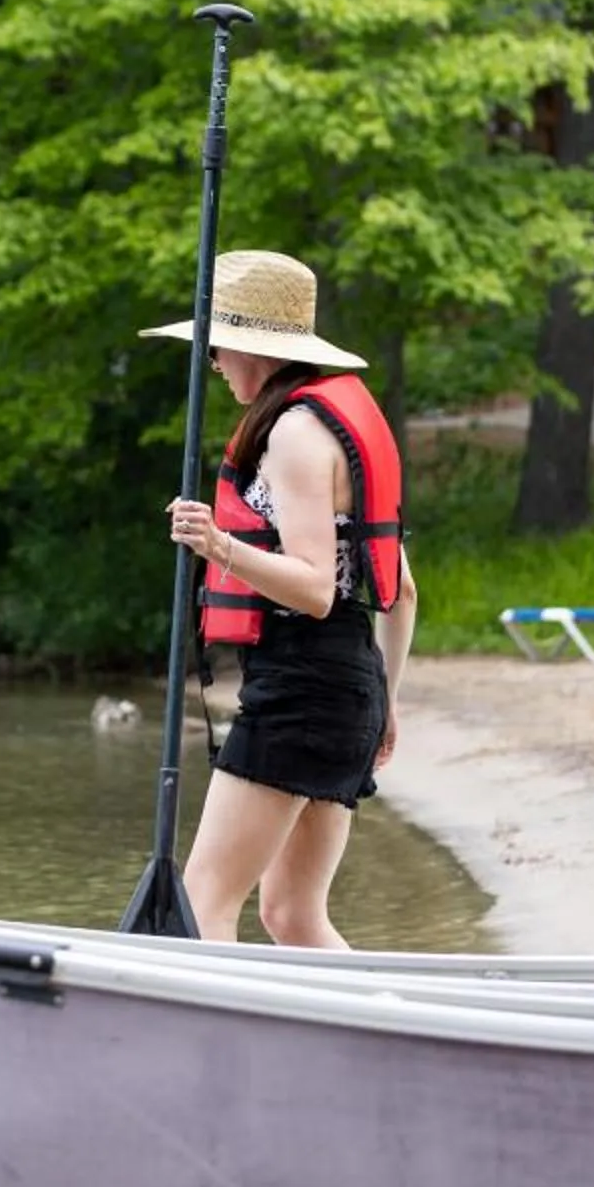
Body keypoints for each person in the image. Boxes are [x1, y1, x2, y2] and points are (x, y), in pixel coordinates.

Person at [152, 251, 418, 948]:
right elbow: (403, 590)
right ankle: (378, 1037)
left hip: (305, 681)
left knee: (205, 900)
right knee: (292, 916)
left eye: (216, 347)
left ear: (252, 348)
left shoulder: (297, 434)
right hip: (347, 682)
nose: (211, 362)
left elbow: (315, 589)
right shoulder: (335, 425)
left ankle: (222, 1055)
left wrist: (218, 545)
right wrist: (384, 700)